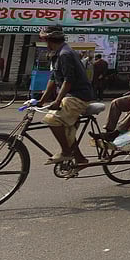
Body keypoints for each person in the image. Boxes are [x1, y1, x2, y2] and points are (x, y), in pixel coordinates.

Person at [36, 28, 95, 164]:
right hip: (69, 96)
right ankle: (80, 160)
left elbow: (69, 80)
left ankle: (66, 152)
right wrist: (42, 100)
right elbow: (53, 78)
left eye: (44, 40)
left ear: (49, 40)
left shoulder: (65, 54)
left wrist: (57, 101)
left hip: (77, 96)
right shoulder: (57, 53)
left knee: (51, 120)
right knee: (67, 130)